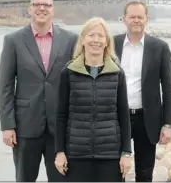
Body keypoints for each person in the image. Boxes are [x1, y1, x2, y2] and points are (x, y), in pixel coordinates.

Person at [0, 0, 77, 182]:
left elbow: (75, 84)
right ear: (29, 9)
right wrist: (7, 126)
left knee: (61, 178)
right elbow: (5, 86)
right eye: (37, 4)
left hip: (59, 127)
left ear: (53, 10)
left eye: (47, 5)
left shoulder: (70, 40)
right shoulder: (13, 41)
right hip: (25, 127)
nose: (42, 8)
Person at [54, 17, 132, 182]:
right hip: (76, 155)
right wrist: (59, 152)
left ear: (106, 42)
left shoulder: (117, 73)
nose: (96, 40)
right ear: (82, 40)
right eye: (91, 35)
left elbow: (124, 115)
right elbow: (61, 115)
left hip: (110, 156)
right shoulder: (68, 72)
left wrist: (126, 152)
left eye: (100, 36)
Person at [113, 1, 171, 182]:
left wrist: (168, 124)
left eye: (140, 17)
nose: (136, 21)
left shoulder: (159, 47)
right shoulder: (112, 44)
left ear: (147, 19)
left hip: (146, 119)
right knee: (115, 172)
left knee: (144, 174)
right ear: (124, 19)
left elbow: (168, 87)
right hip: (117, 118)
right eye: (132, 17)